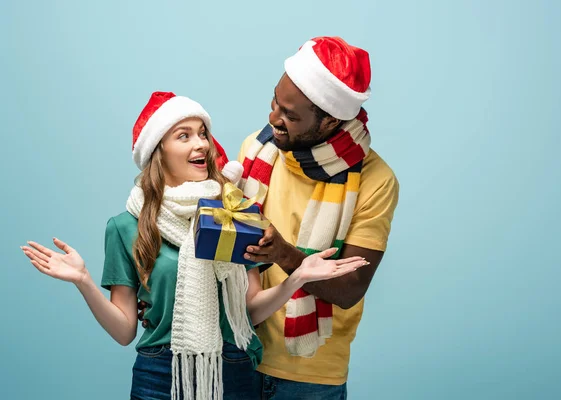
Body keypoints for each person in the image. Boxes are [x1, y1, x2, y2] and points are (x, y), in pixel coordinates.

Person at [20, 91, 369, 400]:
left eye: (202, 133)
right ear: (159, 150)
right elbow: (125, 330)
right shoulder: (125, 227)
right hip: (158, 374)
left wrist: (298, 278)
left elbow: (250, 311)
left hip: (232, 369)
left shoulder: (233, 214)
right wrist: (83, 281)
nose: (200, 144)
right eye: (183, 136)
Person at [238, 36, 400, 399]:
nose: (273, 119)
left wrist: (284, 255)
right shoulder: (257, 150)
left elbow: (350, 289)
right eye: (274, 103)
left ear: (329, 121)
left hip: (309, 379)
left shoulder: (376, 181)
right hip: (236, 354)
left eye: (290, 116)